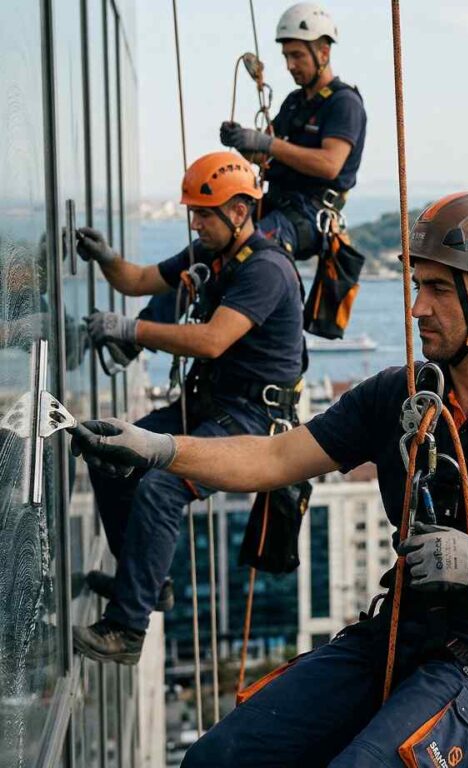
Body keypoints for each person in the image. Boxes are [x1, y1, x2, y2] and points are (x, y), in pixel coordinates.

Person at [71, 192, 468, 765]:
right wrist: (158, 449)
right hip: (400, 633)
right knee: (216, 759)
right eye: (419, 287)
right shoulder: (398, 396)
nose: (418, 309)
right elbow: (274, 459)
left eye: (439, 290)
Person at [71, 151, 306, 664]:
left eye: (205, 214)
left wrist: (130, 329)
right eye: (194, 214)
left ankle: (127, 631)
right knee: (107, 448)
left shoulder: (266, 270)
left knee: (160, 483)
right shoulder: (210, 256)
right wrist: (106, 257)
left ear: (240, 212)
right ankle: (148, 584)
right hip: (210, 407)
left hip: (251, 421)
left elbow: (213, 341)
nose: (196, 224)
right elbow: (136, 281)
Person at [220, 2, 367, 260]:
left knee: (251, 252)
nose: (289, 65)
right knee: (217, 234)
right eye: (286, 56)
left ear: (323, 53)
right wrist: (242, 142)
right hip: (276, 202)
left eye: (297, 55)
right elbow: (263, 157)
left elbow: (329, 164)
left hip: (310, 214)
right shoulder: (294, 103)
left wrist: (266, 143)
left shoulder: (344, 103)